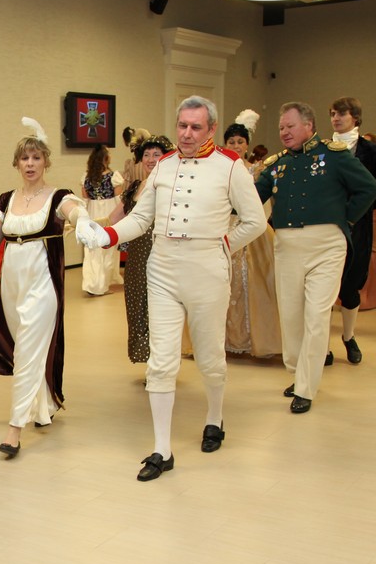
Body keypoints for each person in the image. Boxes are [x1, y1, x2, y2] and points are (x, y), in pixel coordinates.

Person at [80, 96, 267, 481]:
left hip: (207, 271)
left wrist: (224, 245)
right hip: (162, 269)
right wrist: (106, 235)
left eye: (196, 127)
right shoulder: (163, 165)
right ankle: (161, 449)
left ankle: (214, 418)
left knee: (209, 356)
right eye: (182, 125)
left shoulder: (231, 166)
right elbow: (141, 218)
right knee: (161, 362)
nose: (187, 133)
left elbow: (254, 221)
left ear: (211, 129)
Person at [0, 117, 92, 457]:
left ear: (45, 162)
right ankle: (44, 406)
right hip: (12, 287)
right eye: (24, 158)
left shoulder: (58, 196)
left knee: (27, 352)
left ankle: (14, 429)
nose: (30, 163)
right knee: (24, 349)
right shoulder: (6, 200)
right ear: (16, 163)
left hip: (44, 285)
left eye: (36, 157)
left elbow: (74, 212)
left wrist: (83, 222)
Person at [254, 102, 376, 413]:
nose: (284, 132)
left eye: (290, 126)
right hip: (287, 246)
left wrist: (344, 218)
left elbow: (369, 188)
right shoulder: (277, 164)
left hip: (327, 246)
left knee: (316, 315)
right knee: (291, 316)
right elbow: (252, 198)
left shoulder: (334, 155)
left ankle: (306, 387)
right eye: (281, 127)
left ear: (309, 125)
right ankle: (299, 373)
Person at [328, 96, 376, 364]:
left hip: (359, 227)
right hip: (328, 226)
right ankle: (322, 344)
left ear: (355, 117)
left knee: (351, 284)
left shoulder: (373, 151)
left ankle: (349, 335)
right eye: (333, 114)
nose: (336, 118)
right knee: (324, 286)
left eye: (341, 114)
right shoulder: (322, 149)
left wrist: (357, 212)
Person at [222, 111, 282, 358]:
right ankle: (226, 339)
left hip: (253, 230)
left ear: (247, 145)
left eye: (240, 142)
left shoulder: (257, 170)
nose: (236, 146)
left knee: (259, 283)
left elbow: (262, 202)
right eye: (231, 142)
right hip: (225, 225)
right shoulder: (219, 169)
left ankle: (256, 338)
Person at [121, 135, 170, 365]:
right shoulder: (135, 187)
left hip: (162, 254)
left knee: (160, 309)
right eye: (146, 155)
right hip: (137, 257)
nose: (150, 159)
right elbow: (116, 218)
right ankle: (146, 358)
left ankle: (161, 363)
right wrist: (87, 225)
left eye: (156, 154)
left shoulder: (171, 187)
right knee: (137, 307)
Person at [80, 144, 124, 295]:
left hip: (92, 215)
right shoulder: (114, 177)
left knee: (92, 250)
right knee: (108, 249)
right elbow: (119, 200)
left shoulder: (86, 178)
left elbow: (84, 201)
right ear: (105, 158)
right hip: (109, 215)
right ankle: (102, 285)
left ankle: (92, 283)